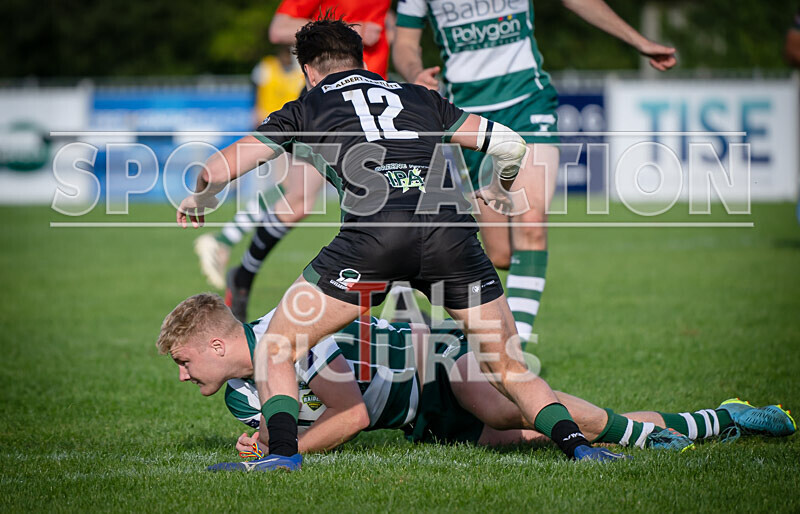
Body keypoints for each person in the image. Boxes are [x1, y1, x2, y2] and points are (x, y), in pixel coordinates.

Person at [177, 18, 616, 471]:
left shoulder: (306, 107)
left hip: (374, 241)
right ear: (359, 58)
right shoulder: (419, 96)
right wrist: (502, 189)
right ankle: (578, 447)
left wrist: (199, 196)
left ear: (308, 70)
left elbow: (217, 168)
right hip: (449, 233)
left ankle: (283, 456)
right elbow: (510, 145)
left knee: (277, 346)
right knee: (508, 366)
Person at [156, 293, 796, 469]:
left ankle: (648, 438)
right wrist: (265, 438)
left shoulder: (286, 334)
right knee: (531, 438)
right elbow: (297, 422)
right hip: (418, 418)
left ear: (218, 342)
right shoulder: (241, 391)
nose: (185, 376)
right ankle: (723, 419)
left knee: (492, 403)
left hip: (440, 355)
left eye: (186, 362)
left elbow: (347, 418)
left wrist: (278, 452)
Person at [392, 0, 678, 346]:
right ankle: (467, 336)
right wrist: (415, 74)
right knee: (500, 254)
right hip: (470, 118)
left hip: (529, 102)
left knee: (531, 223)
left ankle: (516, 351)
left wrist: (639, 41)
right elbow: (405, 43)